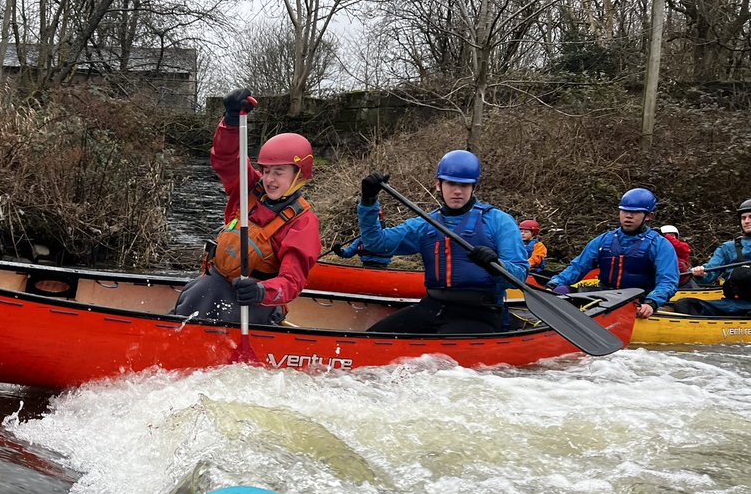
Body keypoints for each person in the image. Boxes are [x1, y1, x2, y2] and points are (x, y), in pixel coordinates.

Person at [170, 89, 321, 324]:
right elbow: (226, 158)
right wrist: (230, 121)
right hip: (217, 282)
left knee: (224, 302)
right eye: (267, 170)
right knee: (199, 292)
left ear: (299, 175)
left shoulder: (303, 222)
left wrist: (262, 291)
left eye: (278, 172)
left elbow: (292, 281)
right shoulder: (248, 186)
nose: (269, 179)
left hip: (256, 299)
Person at [356, 150, 527, 334]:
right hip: (432, 307)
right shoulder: (425, 223)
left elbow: (519, 276)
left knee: (440, 361)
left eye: (465, 185)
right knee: (373, 336)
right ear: (438, 185)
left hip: (479, 313)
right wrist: (368, 201)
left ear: (473, 187)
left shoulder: (499, 221)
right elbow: (375, 243)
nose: (457, 191)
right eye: (451, 183)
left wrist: (496, 265)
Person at [544, 188, 678, 319]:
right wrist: (553, 284)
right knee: (561, 291)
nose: (628, 216)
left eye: (635, 212)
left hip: (637, 300)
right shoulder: (604, 240)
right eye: (625, 211)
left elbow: (668, 281)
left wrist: (651, 303)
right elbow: (577, 267)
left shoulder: (660, 245)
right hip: (605, 294)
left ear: (649, 216)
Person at [671, 198, 751, 317]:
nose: (746, 221)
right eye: (743, 218)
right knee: (685, 304)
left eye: (750, 217)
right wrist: (700, 273)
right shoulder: (728, 248)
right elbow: (710, 272)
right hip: (737, 303)